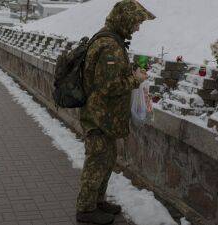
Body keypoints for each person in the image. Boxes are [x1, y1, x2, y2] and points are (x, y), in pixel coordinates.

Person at [76, 0, 155, 224]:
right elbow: (107, 86)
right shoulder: (110, 45)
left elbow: (107, 75)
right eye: (136, 22)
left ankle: (97, 202)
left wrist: (129, 71)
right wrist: (135, 79)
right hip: (99, 117)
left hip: (105, 118)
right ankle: (85, 209)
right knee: (97, 162)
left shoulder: (112, 39)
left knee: (106, 160)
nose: (138, 27)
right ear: (125, 19)